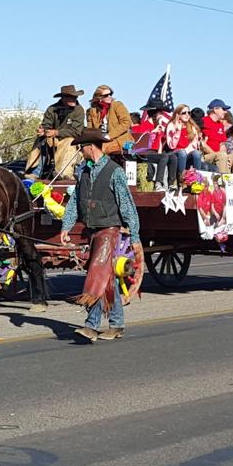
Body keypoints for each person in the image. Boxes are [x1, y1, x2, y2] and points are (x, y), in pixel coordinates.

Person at [60, 129, 143, 343]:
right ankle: (116, 324)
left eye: (82, 147)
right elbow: (74, 202)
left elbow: (127, 205)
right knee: (106, 278)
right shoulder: (84, 172)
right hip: (93, 229)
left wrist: (134, 237)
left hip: (109, 230)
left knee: (96, 273)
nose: (80, 151)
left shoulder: (115, 172)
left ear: (90, 146)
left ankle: (91, 325)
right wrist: (66, 227)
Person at [24, 85, 86, 180]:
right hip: (53, 140)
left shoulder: (79, 110)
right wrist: (43, 131)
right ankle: (34, 172)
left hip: (70, 141)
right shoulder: (52, 109)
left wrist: (56, 132)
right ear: (63, 98)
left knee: (70, 141)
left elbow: (76, 132)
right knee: (41, 140)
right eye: (71, 97)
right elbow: (46, 125)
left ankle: (64, 173)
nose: (74, 99)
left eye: (75, 96)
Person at [200, 99, 233, 174]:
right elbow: (202, 144)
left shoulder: (220, 125)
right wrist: (218, 154)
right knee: (222, 156)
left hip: (220, 155)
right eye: (223, 109)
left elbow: (222, 145)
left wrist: (227, 158)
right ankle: (224, 183)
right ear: (215, 109)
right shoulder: (203, 121)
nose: (225, 112)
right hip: (206, 156)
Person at [86, 84, 133, 154]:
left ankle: (103, 164)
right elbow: (90, 129)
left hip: (120, 139)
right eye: (106, 95)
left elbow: (126, 122)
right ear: (99, 97)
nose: (109, 97)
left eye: (110, 94)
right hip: (100, 140)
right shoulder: (92, 111)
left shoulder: (117, 105)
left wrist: (109, 136)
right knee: (86, 148)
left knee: (102, 148)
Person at [165, 104, 204, 182]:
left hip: (187, 153)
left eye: (188, 112)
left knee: (196, 153)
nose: (187, 115)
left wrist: (199, 140)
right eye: (184, 113)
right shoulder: (171, 125)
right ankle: (181, 179)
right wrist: (178, 131)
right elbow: (172, 146)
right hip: (174, 152)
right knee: (182, 152)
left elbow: (194, 147)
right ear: (178, 115)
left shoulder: (192, 127)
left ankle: (198, 181)